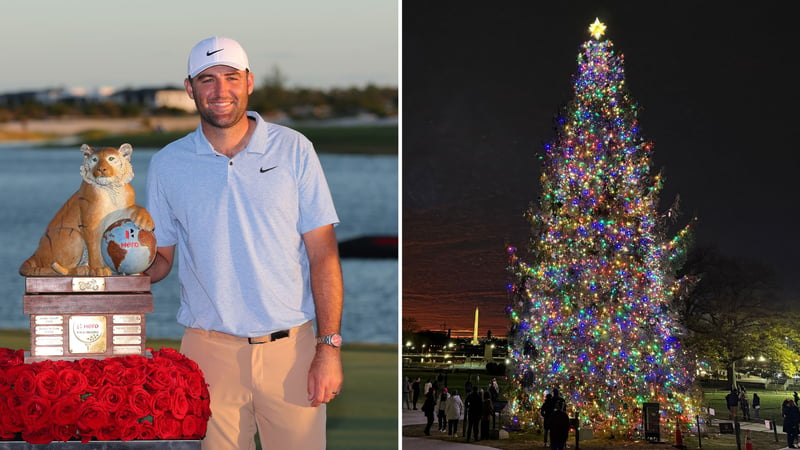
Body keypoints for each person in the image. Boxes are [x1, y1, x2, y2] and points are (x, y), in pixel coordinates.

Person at [145, 36, 344, 450]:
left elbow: (322, 254)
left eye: (231, 77)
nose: (220, 91)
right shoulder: (167, 164)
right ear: (189, 89)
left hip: (291, 351)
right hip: (207, 353)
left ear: (249, 81)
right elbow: (161, 258)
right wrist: (124, 267)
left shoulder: (294, 149)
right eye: (207, 79)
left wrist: (328, 348)